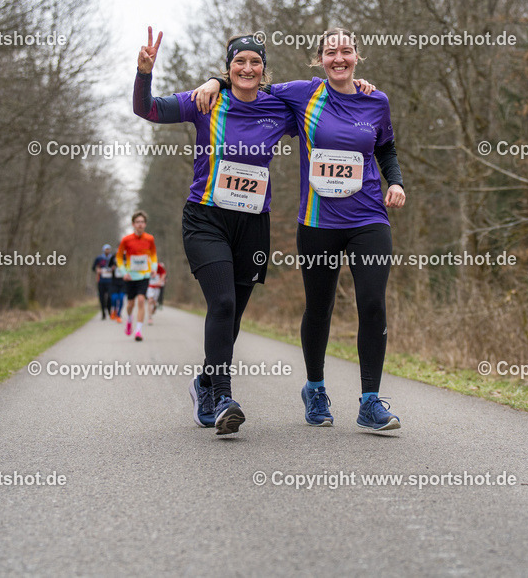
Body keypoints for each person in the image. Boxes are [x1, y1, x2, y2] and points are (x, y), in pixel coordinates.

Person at [193, 27, 406, 431]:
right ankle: (315, 388)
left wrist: (394, 181)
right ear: (320, 60)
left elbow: (385, 147)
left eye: (346, 51)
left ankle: (370, 400)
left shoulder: (376, 100)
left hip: (368, 218)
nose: (338, 58)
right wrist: (215, 80)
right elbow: (249, 84)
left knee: (373, 303)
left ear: (357, 56)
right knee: (319, 308)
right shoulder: (302, 94)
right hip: (318, 222)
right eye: (330, 52)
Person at [133, 27, 299, 436]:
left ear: (264, 70)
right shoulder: (206, 100)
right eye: (238, 62)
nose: (247, 67)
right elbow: (147, 110)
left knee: (234, 316)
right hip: (205, 218)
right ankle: (224, 396)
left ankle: (203, 383)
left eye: (254, 62)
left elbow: (323, 103)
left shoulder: (278, 107)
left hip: (253, 223)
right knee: (222, 303)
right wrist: (144, 73)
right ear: (228, 68)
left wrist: (357, 86)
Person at [116, 211, 157, 341]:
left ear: (145, 224)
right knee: (130, 304)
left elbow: (153, 255)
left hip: (144, 275)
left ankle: (138, 331)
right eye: (138, 222)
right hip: (130, 277)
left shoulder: (150, 239)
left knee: (141, 300)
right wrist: (124, 272)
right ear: (133, 224)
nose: (140, 224)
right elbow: (118, 257)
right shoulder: (126, 240)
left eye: (142, 222)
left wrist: (154, 268)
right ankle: (129, 319)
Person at [92, 244, 116, 320]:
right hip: (101, 281)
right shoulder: (99, 258)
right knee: (101, 298)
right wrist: (97, 270)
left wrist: (113, 269)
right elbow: (93, 268)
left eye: (108, 249)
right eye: (106, 249)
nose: (107, 251)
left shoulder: (113, 258)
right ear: (103, 250)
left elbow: (117, 267)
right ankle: (103, 313)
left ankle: (109, 311)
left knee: (109, 297)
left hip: (110, 281)